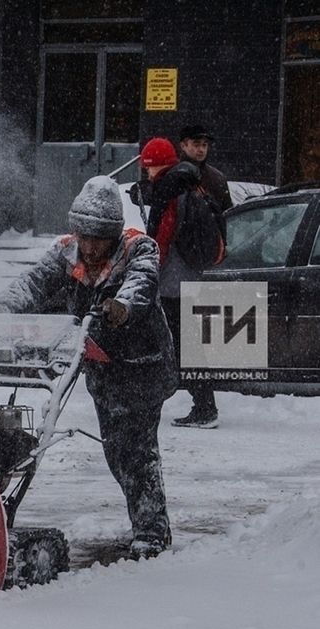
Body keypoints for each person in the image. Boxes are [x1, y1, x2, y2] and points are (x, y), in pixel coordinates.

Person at [0, 176, 176, 559]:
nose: (90, 248)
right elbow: (30, 286)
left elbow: (142, 283)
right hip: (101, 367)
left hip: (141, 366)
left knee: (137, 450)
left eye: (98, 239)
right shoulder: (65, 252)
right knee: (117, 452)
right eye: (84, 237)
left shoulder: (137, 248)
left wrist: (120, 307)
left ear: (113, 235)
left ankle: (152, 532)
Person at [139, 135, 221, 428]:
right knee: (186, 342)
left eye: (147, 167)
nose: (145, 173)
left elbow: (163, 234)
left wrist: (151, 266)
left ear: (156, 164)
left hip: (173, 279)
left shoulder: (170, 186)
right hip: (186, 273)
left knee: (182, 344)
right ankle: (201, 404)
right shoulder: (185, 180)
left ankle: (203, 407)